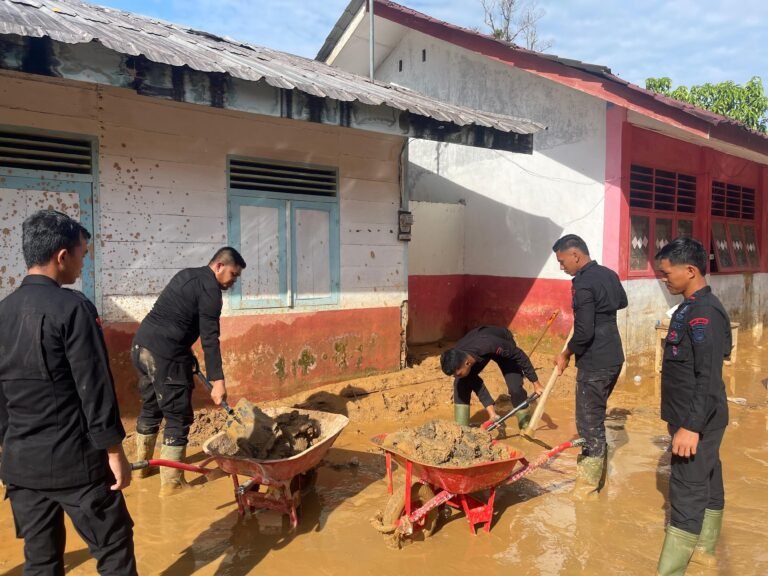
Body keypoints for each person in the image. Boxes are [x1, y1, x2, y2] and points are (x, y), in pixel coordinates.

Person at [0, 210, 137, 575]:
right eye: (82, 254)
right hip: (76, 465)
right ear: (62, 256)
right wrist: (114, 451)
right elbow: (94, 386)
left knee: (41, 561)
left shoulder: (2, 312)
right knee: (114, 549)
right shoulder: (73, 308)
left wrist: (8, 449)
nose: (82, 263)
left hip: (20, 467)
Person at [132, 247, 246, 493]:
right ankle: (172, 484)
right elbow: (210, 338)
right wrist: (218, 380)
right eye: (233, 274)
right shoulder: (211, 290)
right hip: (165, 355)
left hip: (141, 347)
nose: (234, 281)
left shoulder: (188, 275)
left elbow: (174, 318)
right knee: (178, 416)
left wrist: (186, 350)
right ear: (219, 266)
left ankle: (142, 469)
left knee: (152, 407)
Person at [655, 237, 730, 575]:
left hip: (696, 419)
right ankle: (705, 553)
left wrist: (691, 426)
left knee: (685, 492)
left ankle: (670, 571)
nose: (664, 278)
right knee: (708, 479)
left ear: (690, 271)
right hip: (695, 417)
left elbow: (708, 376)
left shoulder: (704, 313)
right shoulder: (689, 306)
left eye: (667, 273)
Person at [552, 234, 627, 498]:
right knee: (596, 415)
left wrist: (566, 352)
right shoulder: (608, 274)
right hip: (615, 357)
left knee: (589, 423)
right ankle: (599, 478)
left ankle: (586, 489)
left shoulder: (582, 284)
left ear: (576, 255)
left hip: (595, 362)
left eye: (562, 261)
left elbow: (583, 333)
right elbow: (622, 302)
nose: (562, 267)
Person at [440, 326, 542, 429]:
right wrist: (493, 414)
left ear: (467, 363)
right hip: (480, 347)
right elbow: (476, 383)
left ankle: (524, 422)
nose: (455, 376)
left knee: (515, 387)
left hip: (500, 341)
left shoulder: (489, 344)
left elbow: (519, 355)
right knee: (460, 383)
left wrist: (536, 383)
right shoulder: (457, 354)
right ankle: (461, 428)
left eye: (457, 373)